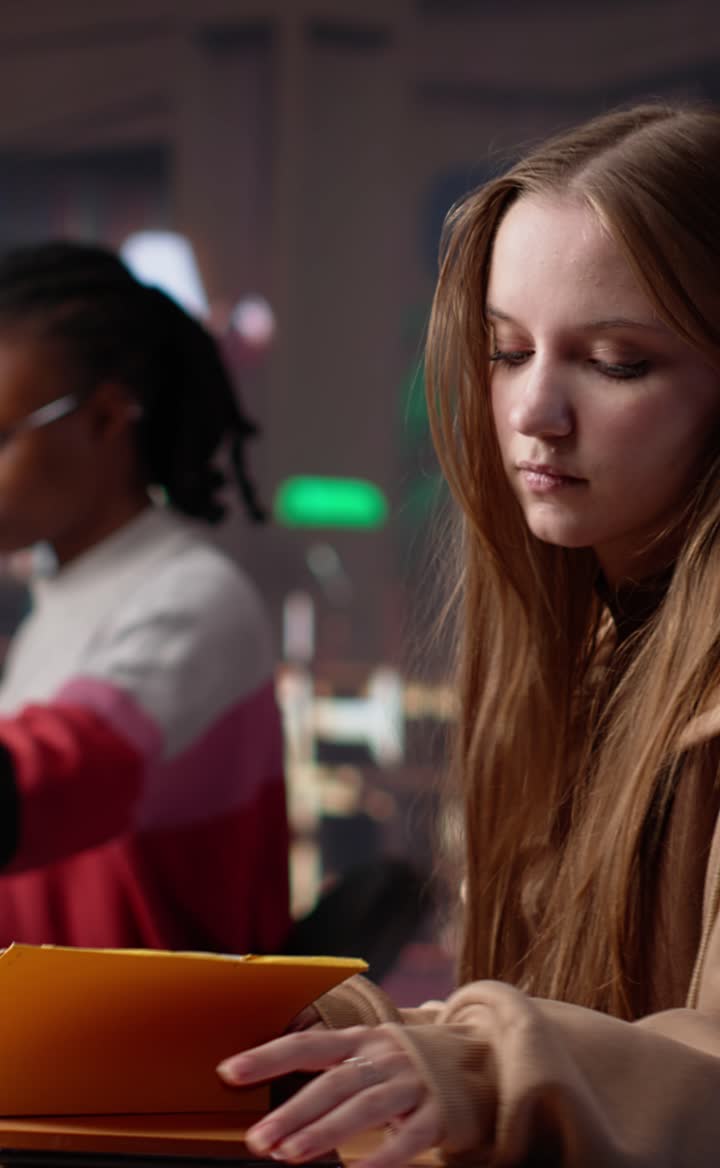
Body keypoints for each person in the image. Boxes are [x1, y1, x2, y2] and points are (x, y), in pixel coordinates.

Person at [216, 103, 720, 1167]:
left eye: (617, 362)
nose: (533, 412)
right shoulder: (590, 650)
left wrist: (483, 1064)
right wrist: (332, 1028)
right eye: (506, 350)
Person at [0, 240, 290, 954]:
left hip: (147, 1029)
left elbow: (52, 782)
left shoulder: (194, 601)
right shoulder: (62, 602)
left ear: (105, 418)